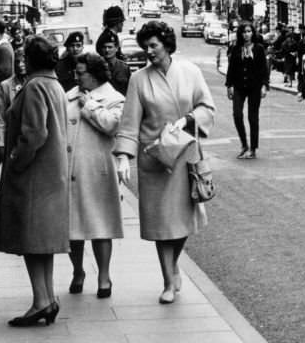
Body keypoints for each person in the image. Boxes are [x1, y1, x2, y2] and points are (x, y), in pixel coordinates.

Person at [113, 20, 216, 305]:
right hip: (155, 160)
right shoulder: (138, 80)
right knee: (161, 223)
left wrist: (189, 118)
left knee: (183, 219)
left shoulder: (191, 72)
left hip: (185, 155)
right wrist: (123, 156)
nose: (149, 51)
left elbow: (207, 106)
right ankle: (168, 280)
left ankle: (174, 266)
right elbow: (130, 122)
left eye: (154, 45)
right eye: (146, 46)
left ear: (167, 45)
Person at [0, 35, 70, 327]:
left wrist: (17, 159)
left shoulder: (34, 87)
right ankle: (47, 298)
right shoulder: (54, 85)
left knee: (31, 240)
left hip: (33, 176)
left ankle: (41, 302)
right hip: (52, 174)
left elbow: (34, 134)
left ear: (29, 60)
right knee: (42, 242)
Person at [65, 53, 125, 299]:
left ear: (95, 74)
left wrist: (89, 105)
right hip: (71, 170)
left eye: (81, 73)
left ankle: (104, 276)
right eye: (76, 73)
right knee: (72, 228)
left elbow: (112, 126)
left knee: (101, 226)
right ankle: (77, 271)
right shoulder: (69, 95)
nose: (77, 77)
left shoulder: (115, 98)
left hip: (99, 171)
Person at [224, 22, 270, 159]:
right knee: (237, 115)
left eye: (249, 31)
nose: (246, 34)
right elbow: (231, 68)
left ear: (253, 33)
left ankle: (253, 148)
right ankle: (244, 144)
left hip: (254, 86)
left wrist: (264, 85)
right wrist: (229, 85)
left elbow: (264, 69)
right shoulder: (236, 48)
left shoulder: (259, 49)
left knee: (252, 117)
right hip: (239, 86)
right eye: (244, 32)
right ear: (240, 34)